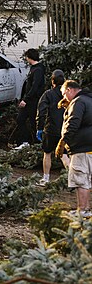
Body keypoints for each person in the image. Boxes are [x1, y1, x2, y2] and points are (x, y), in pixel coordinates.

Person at [56, 80, 92, 216]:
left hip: (81, 147)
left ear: (69, 90)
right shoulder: (89, 100)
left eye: (64, 94)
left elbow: (73, 123)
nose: (64, 98)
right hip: (89, 147)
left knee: (80, 178)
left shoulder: (78, 102)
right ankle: (87, 209)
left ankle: (82, 209)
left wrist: (63, 141)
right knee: (88, 178)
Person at [36, 70, 70, 186]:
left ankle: (45, 178)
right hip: (65, 129)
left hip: (50, 129)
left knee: (47, 153)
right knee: (64, 154)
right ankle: (73, 178)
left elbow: (41, 112)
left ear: (52, 81)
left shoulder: (48, 94)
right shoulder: (68, 94)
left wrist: (39, 127)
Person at [10, 48, 46, 149]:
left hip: (33, 100)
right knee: (20, 119)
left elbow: (35, 87)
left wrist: (26, 99)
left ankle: (37, 143)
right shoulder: (33, 68)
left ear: (30, 57)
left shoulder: (38, 70)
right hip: (29, 99)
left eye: (27, 57)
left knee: (33, 121)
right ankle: (24, 141)